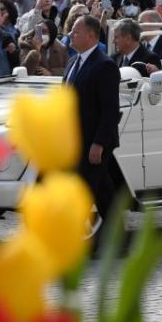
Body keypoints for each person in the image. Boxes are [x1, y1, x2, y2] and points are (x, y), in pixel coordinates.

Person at [63, 15, 121, 224]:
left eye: (76, 32)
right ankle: (117, 240)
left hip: (93, 141)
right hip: (76, 141)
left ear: (91, 36)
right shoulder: (73, 62)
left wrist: (99, 143)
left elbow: (109, 110)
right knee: (103, 193)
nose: (71, 35)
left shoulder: (104, 65)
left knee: (86, 190)